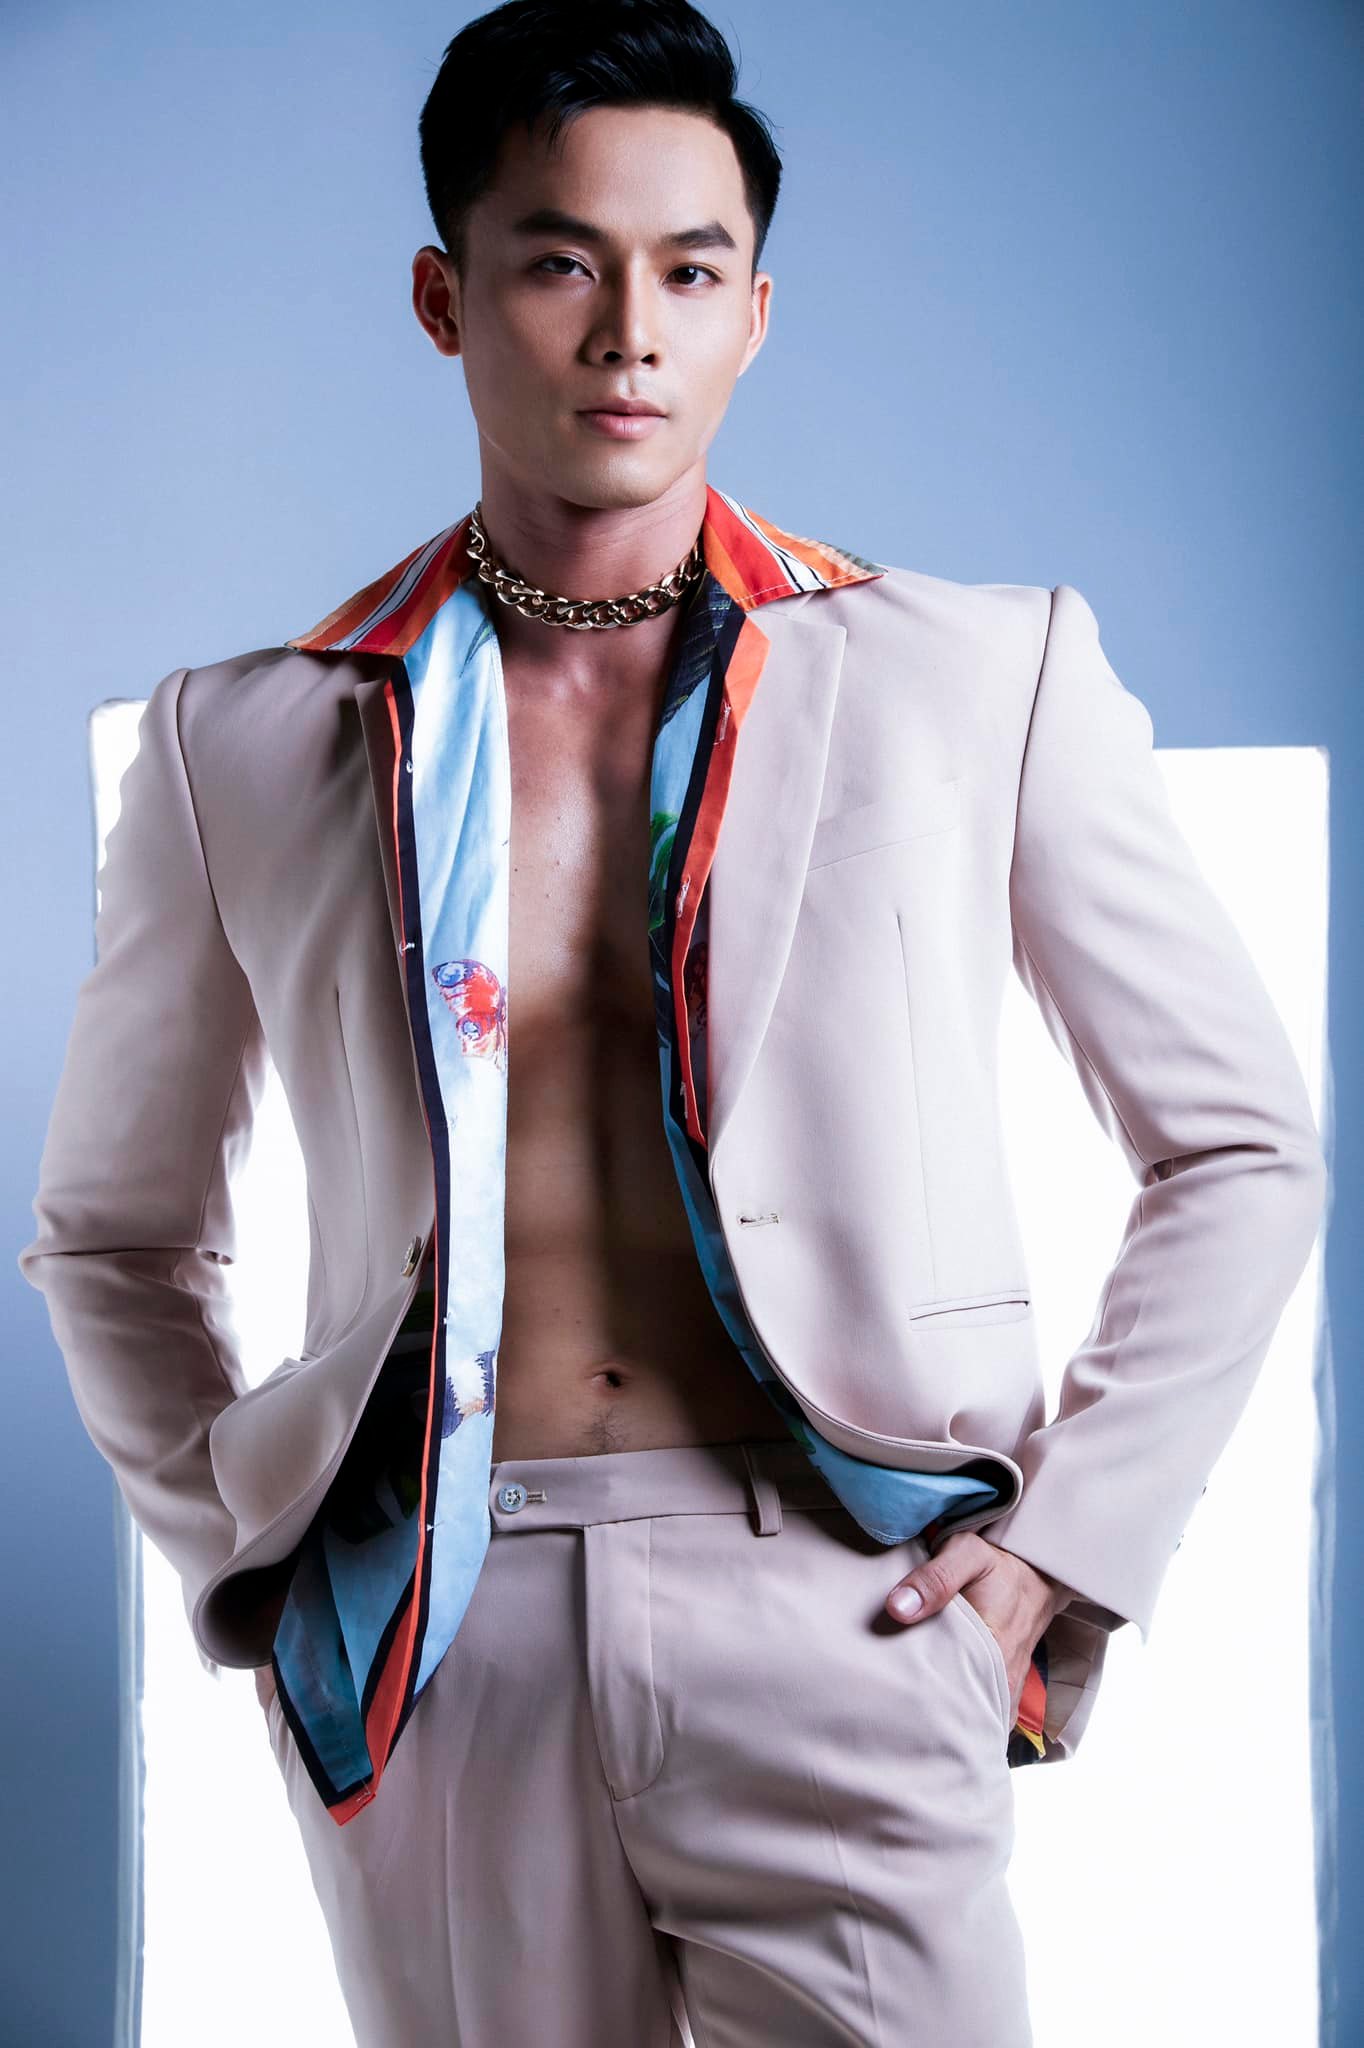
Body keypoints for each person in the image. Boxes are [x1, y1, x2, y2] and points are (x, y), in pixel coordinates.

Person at [18, 3, 1328, 2044]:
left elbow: (1241, 1141)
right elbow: (111, 1232)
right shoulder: (243, 743)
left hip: (841, 1591)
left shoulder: (980, 675)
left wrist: (1066, 1546)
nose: (630, 333)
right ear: (446, 301)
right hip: (441, 1629)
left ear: (753, 314)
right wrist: (256, 1562)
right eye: (562, 264)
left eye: (691, 273)